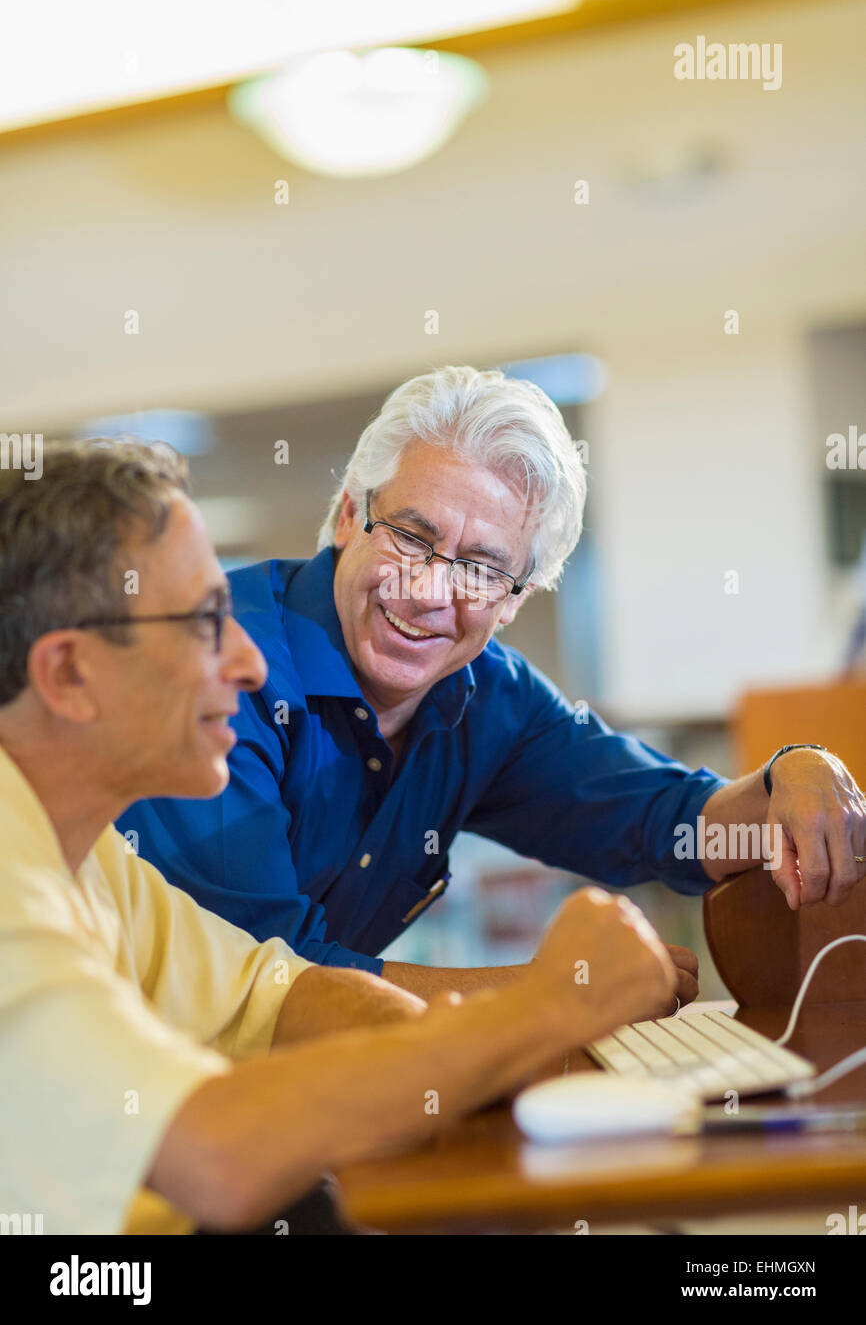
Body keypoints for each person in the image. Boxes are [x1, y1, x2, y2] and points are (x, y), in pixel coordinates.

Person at [0, 439, 678, 1235]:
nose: (250, 662)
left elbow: (280, 994)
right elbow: (216, 1156)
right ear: (70, 675)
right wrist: (546, 1011)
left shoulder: (91, 855)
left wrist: (513, 1034)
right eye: (205, 622)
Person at [120, 366, 866, 1002]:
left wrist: (793, 776)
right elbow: (258, 980)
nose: (428, 593)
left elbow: (663, 821)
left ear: (515, 599)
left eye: (481, 567)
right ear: (349, 515)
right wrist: (548, 997)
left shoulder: (489, 697)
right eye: (411, 536)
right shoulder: (217, 664)